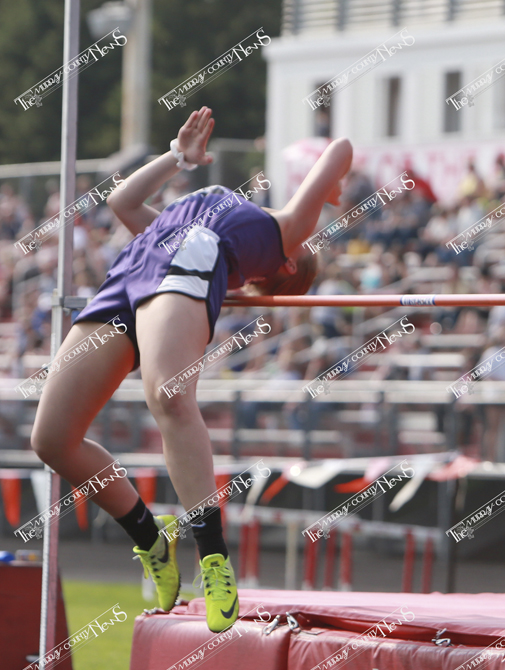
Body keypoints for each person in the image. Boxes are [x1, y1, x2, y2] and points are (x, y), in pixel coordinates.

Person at [30, 106, 353, 632]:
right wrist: (177, 158)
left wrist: (331, 188)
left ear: (289, 261)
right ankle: (150, 536)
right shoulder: (205, 231)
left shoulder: (280, 234)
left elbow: (340, 148)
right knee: (52, 439)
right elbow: (122, 201)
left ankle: (213, 559)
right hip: (132, 271)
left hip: (182, 272)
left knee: (169, 396)